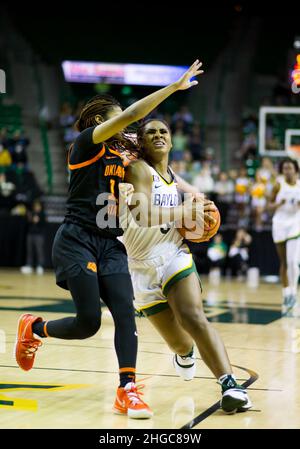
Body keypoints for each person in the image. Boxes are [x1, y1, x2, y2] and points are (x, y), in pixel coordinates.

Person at [14, 60, 204, 419]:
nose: (129, 125)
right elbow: (135, 113)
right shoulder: (86, 143)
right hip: (77, 239)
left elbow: (161, 162)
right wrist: (173, 89)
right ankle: (34, 328)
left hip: (112, 243)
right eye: (121, 119)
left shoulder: (126, 149)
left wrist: (192, 192)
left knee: (124, 315)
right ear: (102, 122)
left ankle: (127, 389)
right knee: (88, 323)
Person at [119, 119, 252, 414]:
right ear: (141, 142)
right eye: (150, 132)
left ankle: (231, 385)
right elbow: (141, 214)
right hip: (140, 267)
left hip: (172, 252)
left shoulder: (172, 174)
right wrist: (184, 209)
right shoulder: (138, 169)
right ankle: (185, 353)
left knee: (193, 316)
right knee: (180, 344)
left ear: (171, 140)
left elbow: (198, 199)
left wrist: (205, 212)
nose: (157, 135)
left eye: (163, 131)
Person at [269, 158, 300, 315]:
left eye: (290, 168)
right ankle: (286, 293)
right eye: (285, 168)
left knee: (293, 261)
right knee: (284, 262)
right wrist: (277, 204)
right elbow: (269, 205)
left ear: (296, 169)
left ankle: (294, 292)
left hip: (295, 224)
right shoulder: (278, 184)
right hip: (280, 224)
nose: (288, 170)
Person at [20, 199, 46, 274]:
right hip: (30, 234)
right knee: (29, 251)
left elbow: (44, 224)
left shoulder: (42, 214)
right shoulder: (32, 213)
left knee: (39, 251)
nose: (37, 207)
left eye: (38, 206)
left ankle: (40, 266)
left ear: (40, 207)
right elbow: (27, 224)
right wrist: (30, 219)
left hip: (39, 235)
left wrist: (39, 220)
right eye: (35, 206)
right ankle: (29, 266)